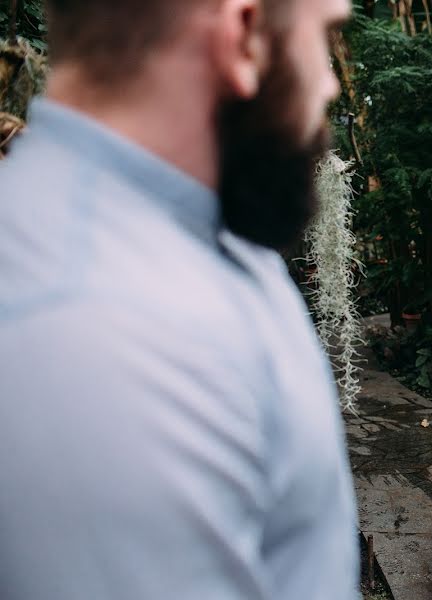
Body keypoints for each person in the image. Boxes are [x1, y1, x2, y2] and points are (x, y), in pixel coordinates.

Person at [0, 1, 358, 599]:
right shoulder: (90, 334)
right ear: (244, 35)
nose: (329, 85)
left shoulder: (215, 226)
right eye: (324, 38)